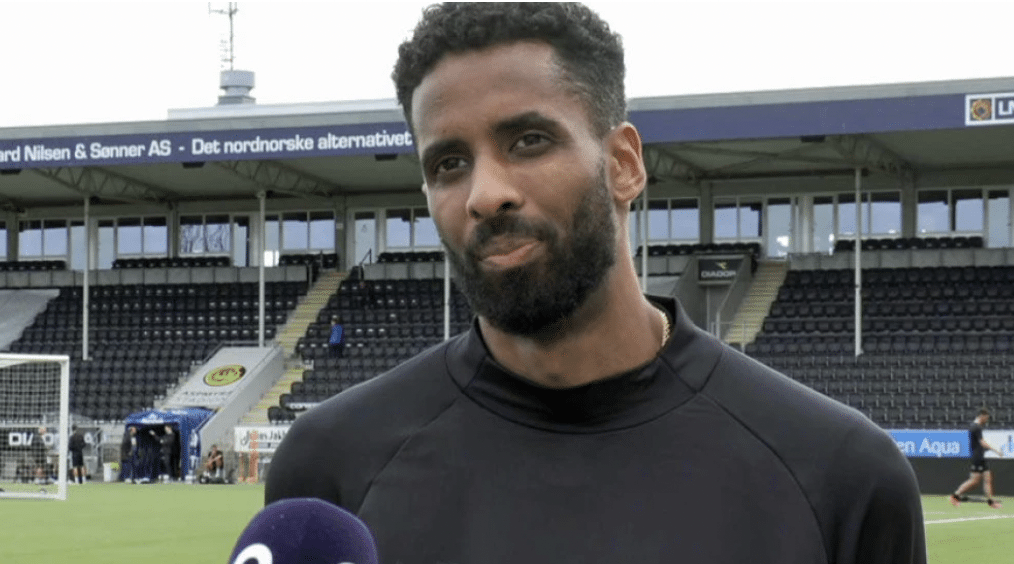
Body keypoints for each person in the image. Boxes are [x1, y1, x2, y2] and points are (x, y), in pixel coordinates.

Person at [265, 4, 927, 563]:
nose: (485, 194)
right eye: (448, 163)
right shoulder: (330, 471)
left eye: (528, 141)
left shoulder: (840, 476)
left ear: (624, 164)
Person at [950, 408, 1003, 508]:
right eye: (986, 418)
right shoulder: (976, 427)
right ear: (982, 416)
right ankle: (955, 496)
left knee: (987, 478)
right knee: (974, 481)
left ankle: (991, 502)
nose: (986, 420)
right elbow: (982, 442)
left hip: (979, 456)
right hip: (978, 457)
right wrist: (995, 450)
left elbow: (977, 444)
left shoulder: (974, 426)